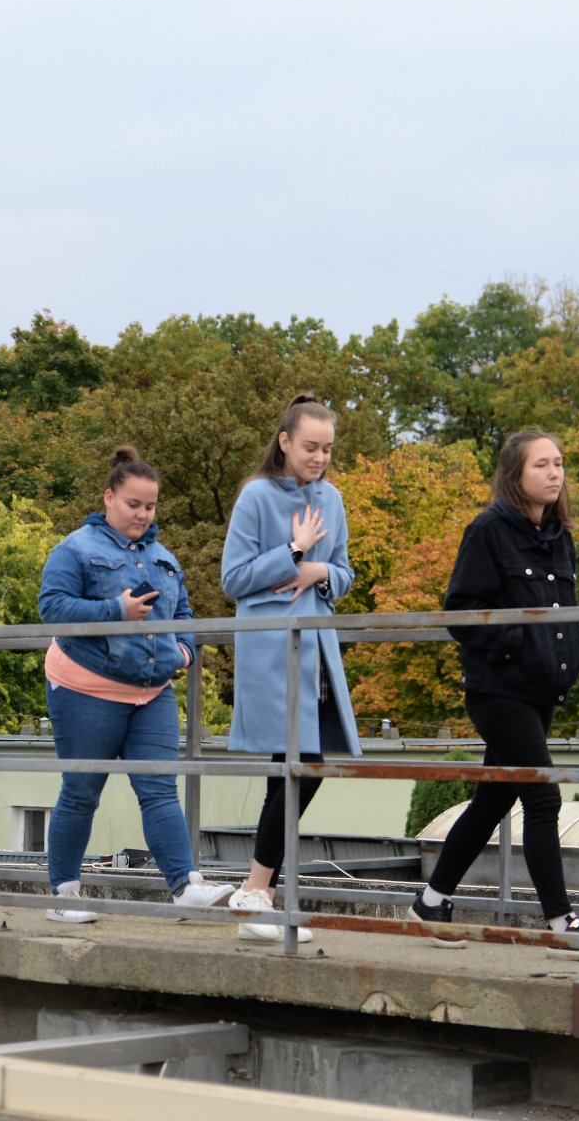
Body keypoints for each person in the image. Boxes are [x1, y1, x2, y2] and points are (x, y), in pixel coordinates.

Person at [35, 447, 236, 923]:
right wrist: (114, 612)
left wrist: (184, 651)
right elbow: (52, 608)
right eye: (133, 504)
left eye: (150, 507)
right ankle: (63, 896)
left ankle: (186, 887)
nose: (143, 515)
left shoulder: (163, 557)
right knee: (82, 791)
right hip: (86, 688)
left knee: (161, 790)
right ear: (109, 498)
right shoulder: (75, 549)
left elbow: (183, 614)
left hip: (152, 693)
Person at [411, 430, 579, 946]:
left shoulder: (560, 536)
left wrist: (568, 660)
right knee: (543, 798)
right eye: (542, 465)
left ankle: (431, 899)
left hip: (541, 691)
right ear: (516, 475)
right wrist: (514, 642)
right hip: (499, 689)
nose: (555, 473)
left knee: (493, 800)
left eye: (559, 463)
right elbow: (460, 611)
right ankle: (560, 920)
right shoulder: (488, 530)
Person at [219, 393, 359, 943]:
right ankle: (257, 890)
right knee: (298, 765)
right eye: (310, 447)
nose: (320, 457)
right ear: (284, 442)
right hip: (272, 652)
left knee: (301, 766)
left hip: (317, 651)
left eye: (327, 448)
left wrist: (318, 569)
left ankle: (259, 892)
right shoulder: (255, 496)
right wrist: (292, 551)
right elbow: (234, 579)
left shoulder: (335, 498)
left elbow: (344, 574)